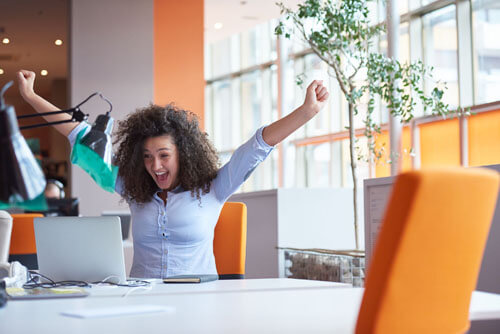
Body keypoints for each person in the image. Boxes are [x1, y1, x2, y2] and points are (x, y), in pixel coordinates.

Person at [16, 69, 329, 279]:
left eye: (164, 156)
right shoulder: (134, 187)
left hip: (199, 306)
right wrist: (30, 96)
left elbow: (258, 145)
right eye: (148, 157)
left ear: (185, 154)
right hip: (142, 304)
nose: (155, 166)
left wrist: (306, 112)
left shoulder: (215, 188)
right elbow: (80, 137)